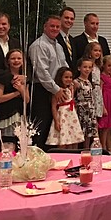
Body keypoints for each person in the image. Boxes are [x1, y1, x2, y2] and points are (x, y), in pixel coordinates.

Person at [28, 16, 69, 148]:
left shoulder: (58, 46)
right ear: (45, 27)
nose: (55, 29)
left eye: (57, 27)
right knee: (42, 128)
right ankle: (38, 160)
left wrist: (69, 83)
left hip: (58, 90)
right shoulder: (39, 45)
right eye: (52, 26)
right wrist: (56, 89)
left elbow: (64, 66)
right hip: (43, 91)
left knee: (55, 129)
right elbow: (42, 72)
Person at [0, 48, 28, 149]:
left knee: (20, 145)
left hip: (20, 114)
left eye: (19, 58)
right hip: (6, 114)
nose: (16, 61)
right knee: (7, 146)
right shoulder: (3, 76)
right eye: (13, 58)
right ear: (8, 61)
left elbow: (26, 100)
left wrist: (21, 89)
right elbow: (0, 98)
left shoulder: (24, 77)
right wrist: (16, 93)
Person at [46, 67, 83, 149]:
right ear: (60, 78)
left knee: (73, 138)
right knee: (62, 138)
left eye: (70, 77)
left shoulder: (71, 89)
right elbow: (54, 106)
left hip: (71, 116)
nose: (69, 79)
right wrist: (56, 121)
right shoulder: (58, 92)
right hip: (62, 117)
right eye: (66, 77)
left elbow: (72, 100)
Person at [74, 57, 98, 148]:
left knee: (89, 132)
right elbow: (72, 97)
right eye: (85, 67)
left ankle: (87, 150)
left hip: (90, 109)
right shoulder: (76, 82)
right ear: (79, 68)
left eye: (89, 67)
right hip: (80, 109)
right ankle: (75, 151)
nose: (87, 69)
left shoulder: (89, 82)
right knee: (79, 132)